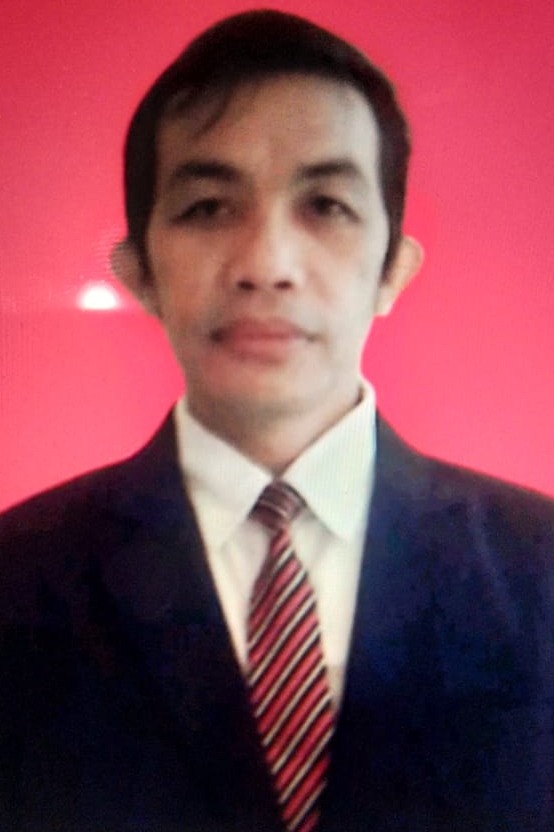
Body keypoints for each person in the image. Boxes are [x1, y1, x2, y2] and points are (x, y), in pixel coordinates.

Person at [1, 9, 553, 832]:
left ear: (393, 270)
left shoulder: (541, 570)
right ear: (138, 271)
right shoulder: (17, 582)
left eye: (326, 205)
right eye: (207, 208)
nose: (266, 264)